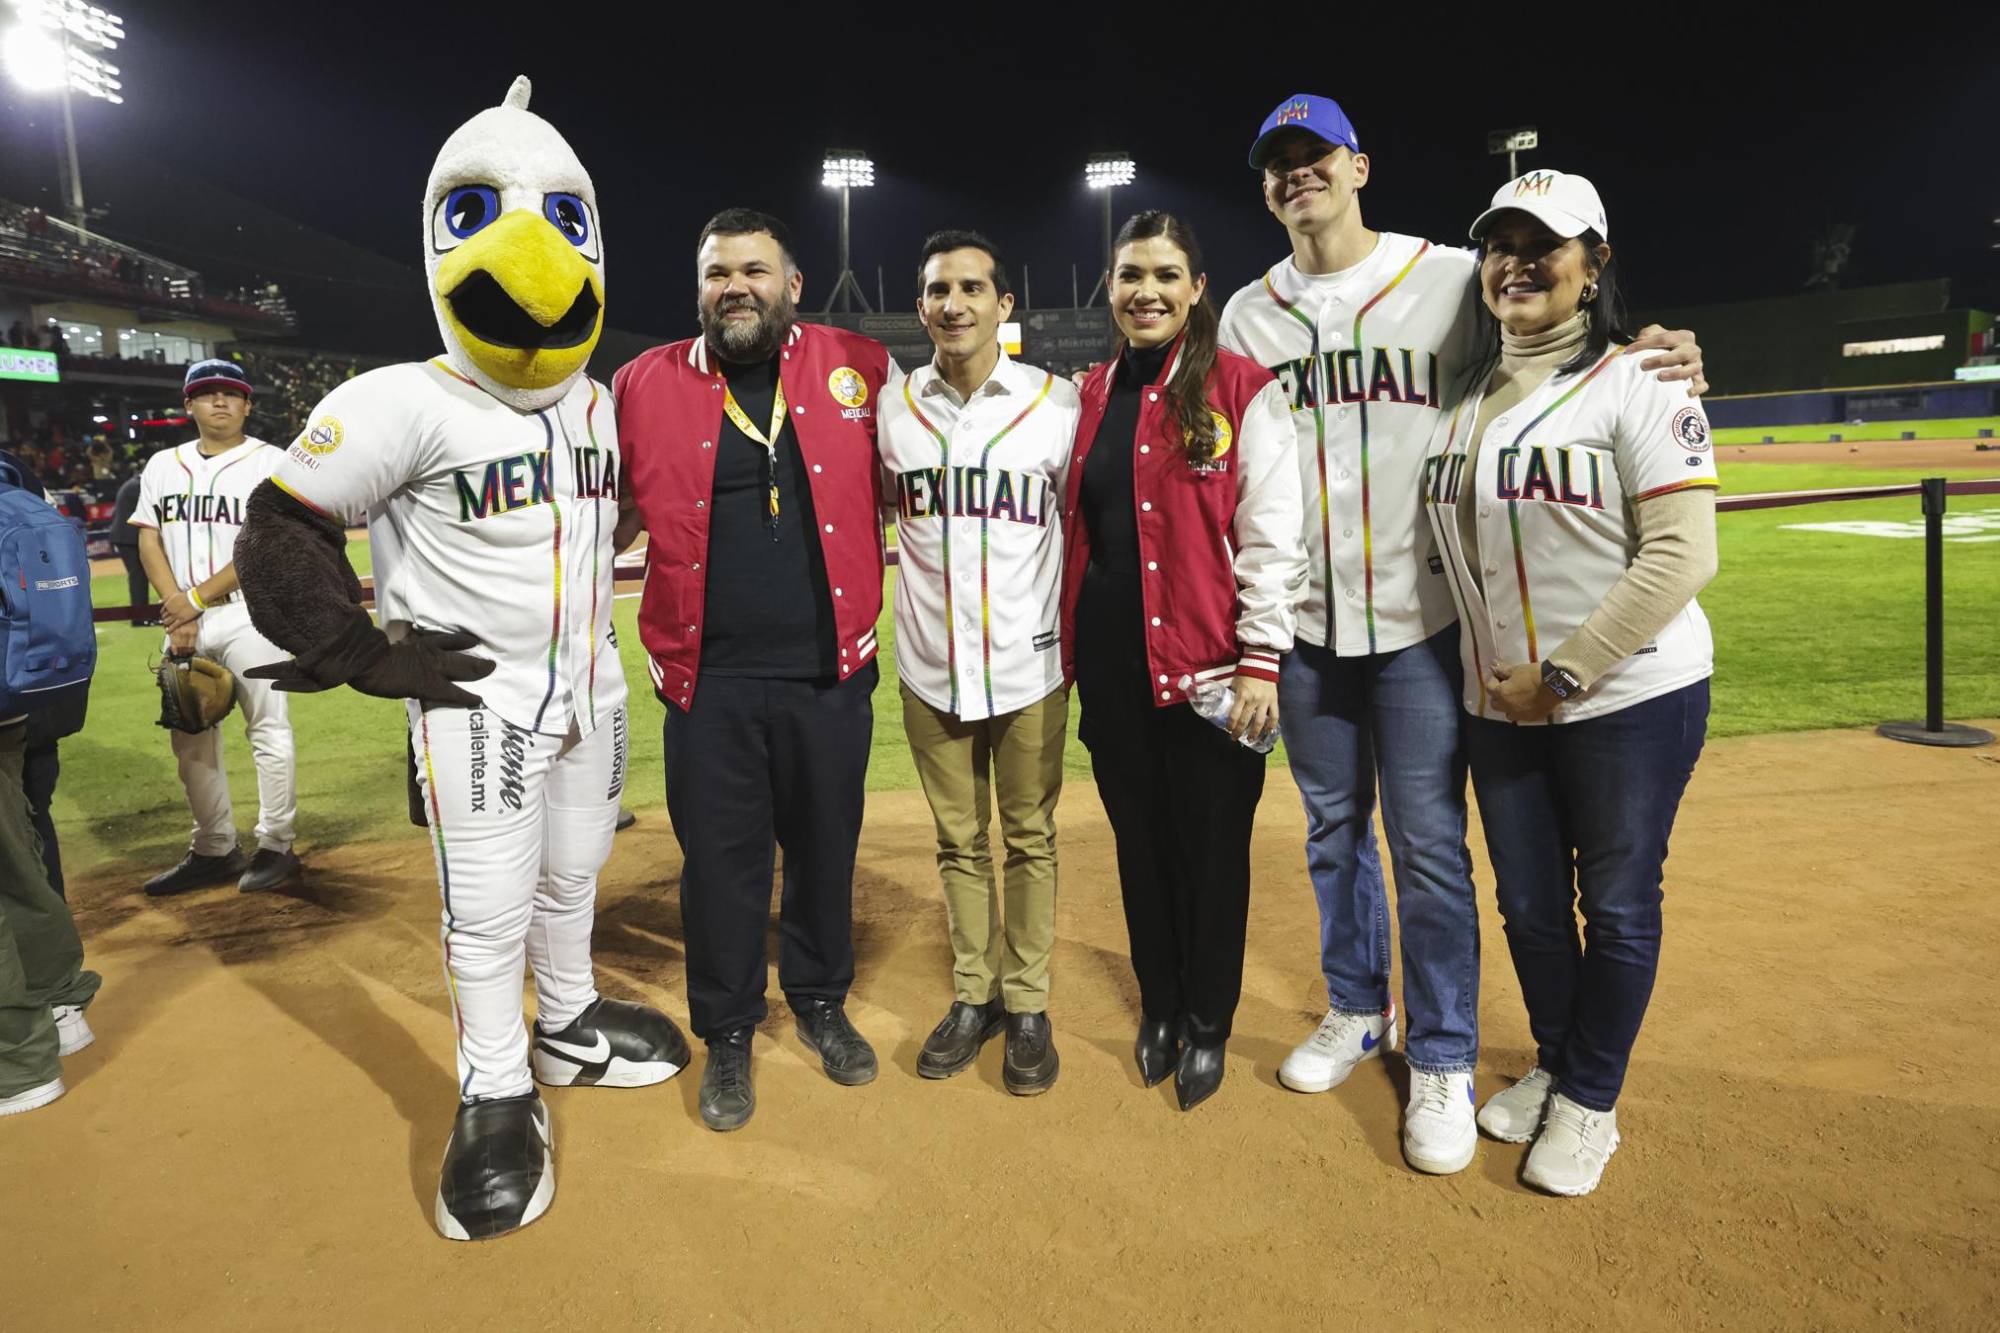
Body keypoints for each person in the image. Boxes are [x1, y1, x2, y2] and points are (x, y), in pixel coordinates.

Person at [235, 78, 689, 1241]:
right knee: (484, 913)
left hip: (588, 686)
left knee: (576, 873)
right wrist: (350, 646)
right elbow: (282, 524)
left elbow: (620, 513)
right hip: (469, 698)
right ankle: (494, 1090)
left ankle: (571, 1023)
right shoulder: (401, 398)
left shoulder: (597, 404)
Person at [1217, 93, 1704, 1174]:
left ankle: (1438, 1051)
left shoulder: (1446, 273)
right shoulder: (1243, 317)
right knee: (1330, 834)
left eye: (1315, 156)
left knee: (1429, 846)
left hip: (1423, 623)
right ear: (1263, 185)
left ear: (1358, 166)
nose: (1296, 173)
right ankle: (1357, 1007)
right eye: (1276, 163)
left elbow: (1563, 330)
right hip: (1303, 626)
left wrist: (1660, 344)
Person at [1423, 170, 1718, 1197]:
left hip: (1625, 695)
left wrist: (1559, 674)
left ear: (1592, 267)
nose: (1516, 261)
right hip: (1501, 701)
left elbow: (1681, 555)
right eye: (1500, 243)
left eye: (1543, 244)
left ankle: (1590, 1099)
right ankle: (1554, 1058)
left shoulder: (1647, 385)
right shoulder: (1462, 395)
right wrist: (1517, 689)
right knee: (1532, 905)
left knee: (1620, 904)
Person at [615, 209, 892, 1132]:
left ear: (792, 285)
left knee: (825, 847)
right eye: (717, 272)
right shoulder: (640, 384)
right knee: (721, 867)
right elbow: (601, 522)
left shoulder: (862, 366)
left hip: (828, 672)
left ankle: (820, 1000)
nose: (736, 286)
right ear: (699, 288)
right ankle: (728, 1030)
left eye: (755, 270)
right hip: (709, 681)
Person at [1060, 211, 1306, 1112]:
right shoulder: (1087, 394)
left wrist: (1261, 662)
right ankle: (1158, 1005)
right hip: (1115, 666)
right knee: (1139, 847)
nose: (1146, 291)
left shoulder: (1242, 389)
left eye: (1166, 274)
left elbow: (1275, 536)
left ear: (1197, 289)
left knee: (1213, 854)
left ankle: (1209, 1019)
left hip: (1212, 673)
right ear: (1112, 287)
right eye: (1130, 274)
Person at [880, 230, 1080, 1094]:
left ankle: (1028, 1001)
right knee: (958, 842)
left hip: (1030, 666)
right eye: (935, 290)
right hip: (930, 665)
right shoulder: (892, 408)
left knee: (1029, 838)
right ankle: (976, 994)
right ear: (921, 306)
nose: (951, 304)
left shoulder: (1059, 405)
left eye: (970, 288)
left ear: (1005, 306)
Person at [131, 360, 301, 896]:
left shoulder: (272, 462)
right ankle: (213, 848)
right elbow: (148, 538)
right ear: (189, 406)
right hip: (183, 621)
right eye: (206, 395)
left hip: (252, 613)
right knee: (190, 739)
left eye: (232, 394)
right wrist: (175, 607)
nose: (220, 402)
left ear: (248, 405)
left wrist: (193, 601)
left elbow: (267, 543)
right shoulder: (162, 464)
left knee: (268, 730)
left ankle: (277, 843)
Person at [109, 470, 154, 626]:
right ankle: (140, 618)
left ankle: (143, 615)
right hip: (129, 538)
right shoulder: (138, 486)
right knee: (138, 577)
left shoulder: (133, 483)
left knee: (139, 576)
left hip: (127, 537)